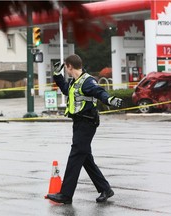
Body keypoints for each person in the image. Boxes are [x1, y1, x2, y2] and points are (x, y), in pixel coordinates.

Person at [47, 54, 123, 204]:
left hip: (87, 123)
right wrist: (57, 75)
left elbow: (99, 91)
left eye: (65, 68)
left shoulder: (87, 81)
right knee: (85, 158)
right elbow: (65, 89)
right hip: (79, 123)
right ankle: (105, 189)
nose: (66, 71)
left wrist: (110, 100)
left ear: (69, 66)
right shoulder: (75, 82)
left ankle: (66, 194)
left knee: (75, 155)